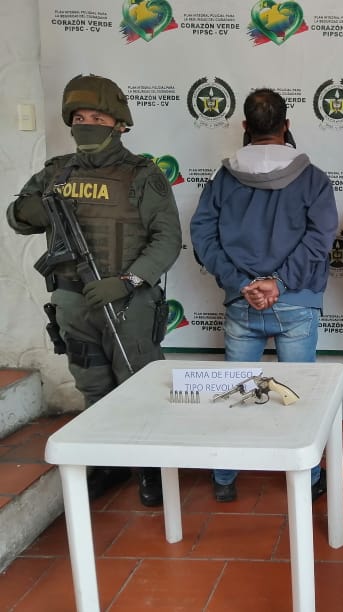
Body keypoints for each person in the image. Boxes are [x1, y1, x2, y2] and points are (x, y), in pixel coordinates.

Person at [6, 74, 182, 506]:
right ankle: (108, 462)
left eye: (97, 117)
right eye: (79, 117)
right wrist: (38, 210)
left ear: (119, 123)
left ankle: (152, 469)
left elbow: (167, 240)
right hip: (71, 301)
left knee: (139, 387)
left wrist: (127, 282)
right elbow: (17, 215)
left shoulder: (143, 175)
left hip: (128, 304)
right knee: (94, 388)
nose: (87, 124)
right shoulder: (54, 173)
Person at [190, 88, 338, 503]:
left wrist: (242, 283)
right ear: (286, 126)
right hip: (298, 302)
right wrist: (281, 283)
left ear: (244, 128)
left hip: (242, 302)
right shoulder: (313, 178)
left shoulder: (223, 179)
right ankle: (306, 481)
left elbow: (202, 235)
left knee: (237, 393)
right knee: (297, 398)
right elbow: (321, 238)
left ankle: (223, 478)